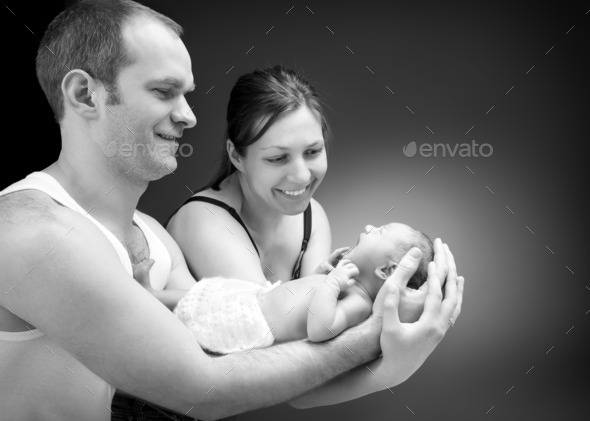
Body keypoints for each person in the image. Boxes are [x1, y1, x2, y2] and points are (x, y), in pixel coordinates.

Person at [0, 1, 463, 421]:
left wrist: (392, 341)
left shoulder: (154, 240)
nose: (189, 116)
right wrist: (380, 333)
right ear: (84, 94)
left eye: (187, 94)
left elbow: (241, 348)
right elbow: (203, 389)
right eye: (164, 91)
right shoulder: (34, 231)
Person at [166, 65, 334, 284]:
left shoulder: (312, 217)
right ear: (236, 156)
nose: (302, 177)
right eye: (277, 158)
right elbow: (270, 315)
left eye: (312, 152)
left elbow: (319, 310)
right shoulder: (204, 219)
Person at [163, 222, 433, 354]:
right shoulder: (341, 280)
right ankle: (152, 295)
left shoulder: (359, 303)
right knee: (205, 293)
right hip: (257, 297)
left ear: (386, 271)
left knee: (189, 326)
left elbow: (320, 329)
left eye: (381, 232)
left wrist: (332, 283)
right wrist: (321, 274)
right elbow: (304, 293)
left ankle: (149, 308)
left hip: (250, 324)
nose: (370, 226)